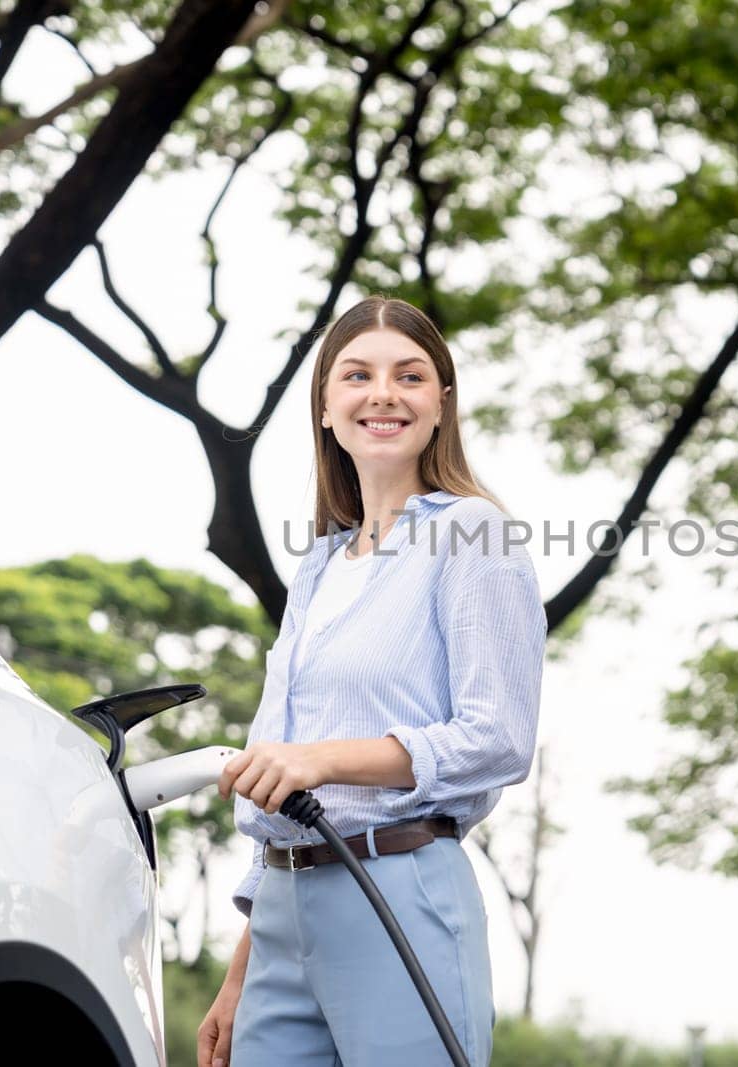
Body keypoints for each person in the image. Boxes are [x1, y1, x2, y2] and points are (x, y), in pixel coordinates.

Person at [196, 296, 546, 1067]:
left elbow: (498, 738)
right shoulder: (317, 567)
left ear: (440, 405)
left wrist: (324, 759)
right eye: (357, 374)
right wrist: (241, 970)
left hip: (401, 888)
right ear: (325, 404)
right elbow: (278, 778)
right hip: (283, 912)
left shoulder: (474, 534)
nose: (382, 393)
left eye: (409, 375)